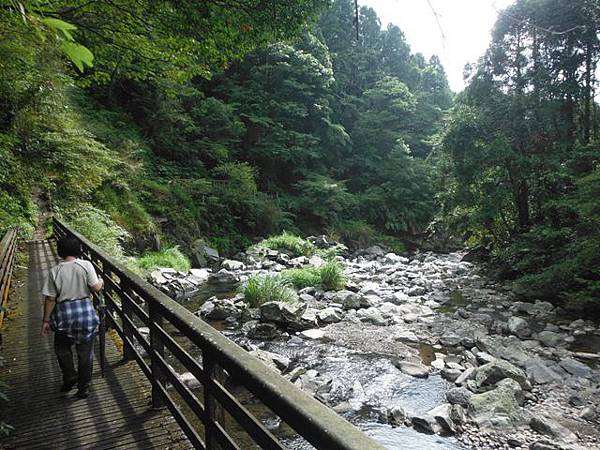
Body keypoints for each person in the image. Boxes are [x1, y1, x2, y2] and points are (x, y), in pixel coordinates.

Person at [41, 236, 104, 398]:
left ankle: (70, 375)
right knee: (85, 353)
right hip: (85, 315)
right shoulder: (85, 265)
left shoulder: (55, 271)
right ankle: (84, 387)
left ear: (60, 252)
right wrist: (101, 282)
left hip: (64, 316)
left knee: (62, 348)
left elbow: (50, 299)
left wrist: (46, 320)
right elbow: (96, 288)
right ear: (78, 250)